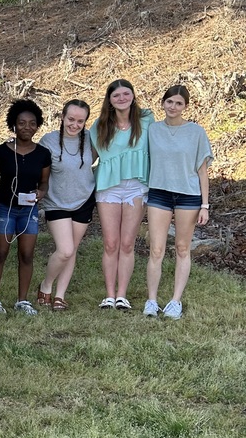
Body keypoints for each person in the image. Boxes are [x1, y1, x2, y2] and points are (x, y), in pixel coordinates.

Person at [144, 84, 213, 319]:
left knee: (183, 248)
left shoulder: (196, 132)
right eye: (169, 101)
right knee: (156, 249)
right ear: (163, 103)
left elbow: (202, 171)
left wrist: (205, 205)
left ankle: (175, 301)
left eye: (179, 103)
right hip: (159, 193)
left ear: (186, 106)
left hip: (188, 196)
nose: (173, 106)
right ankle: (151, 301)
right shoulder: (153, 130)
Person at [90, 79, 154, 310]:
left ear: (133, 96)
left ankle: (122, 295)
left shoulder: (146, 120)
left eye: (126, 94)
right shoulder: (99, 125)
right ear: (109, 100)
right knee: (110, 243)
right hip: (109, 188)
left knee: (127, 244)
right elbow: (89, 158)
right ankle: (109, 295)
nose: (122, 98)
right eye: (116, 95)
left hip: (136, 187)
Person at [0, 99, 51, 315]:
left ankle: (22, 301)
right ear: (13, 124)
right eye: (22, 123)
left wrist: (41, 192)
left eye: (32, 123)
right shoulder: (1, 152)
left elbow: (44, 182)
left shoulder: (43, 154)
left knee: (26, 254)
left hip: (29, 210)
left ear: (37, 126)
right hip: (4, 208)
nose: (27, 127)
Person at [37, 99, 96, 310]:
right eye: (71, 119)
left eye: (80, 121)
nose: (74, 125)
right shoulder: (49, 141)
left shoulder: (90, 139)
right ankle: (46, 285)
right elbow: (38, 170)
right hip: (57, 202)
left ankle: (60, 295)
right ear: (62, 117)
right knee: (65, 250)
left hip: (84, 199)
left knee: (73, 249)